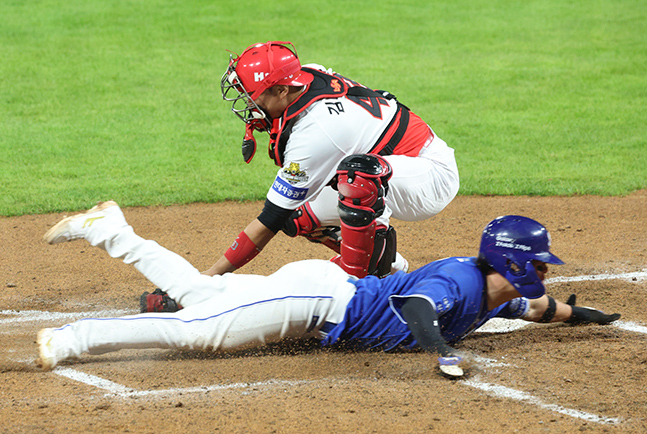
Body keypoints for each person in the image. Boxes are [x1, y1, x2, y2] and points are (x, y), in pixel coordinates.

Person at [37, 201, 620, 377]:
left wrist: (596, 317)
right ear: (511, 262)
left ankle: (109, 228)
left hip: (320, 292)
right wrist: (442, 352)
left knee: (197, 293)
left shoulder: (502, 292)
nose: (544, 274)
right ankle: (71, 338)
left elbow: (547, 310)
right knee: (202, 332)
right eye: (538, 264)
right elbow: (418, 305)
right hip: (314, 303)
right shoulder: (458, 281)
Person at [137, 41, 461, 312]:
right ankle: (387, 267)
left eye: (253, 94)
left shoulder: (316, 130)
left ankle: (357, 288)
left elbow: (271, 217)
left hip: (428, 176)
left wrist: (208, 277)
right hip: (389, 167)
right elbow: (285, 214)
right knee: (300, 217)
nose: (248, 102)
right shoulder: (304, 78)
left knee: (353, 178)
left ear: (280, 90)